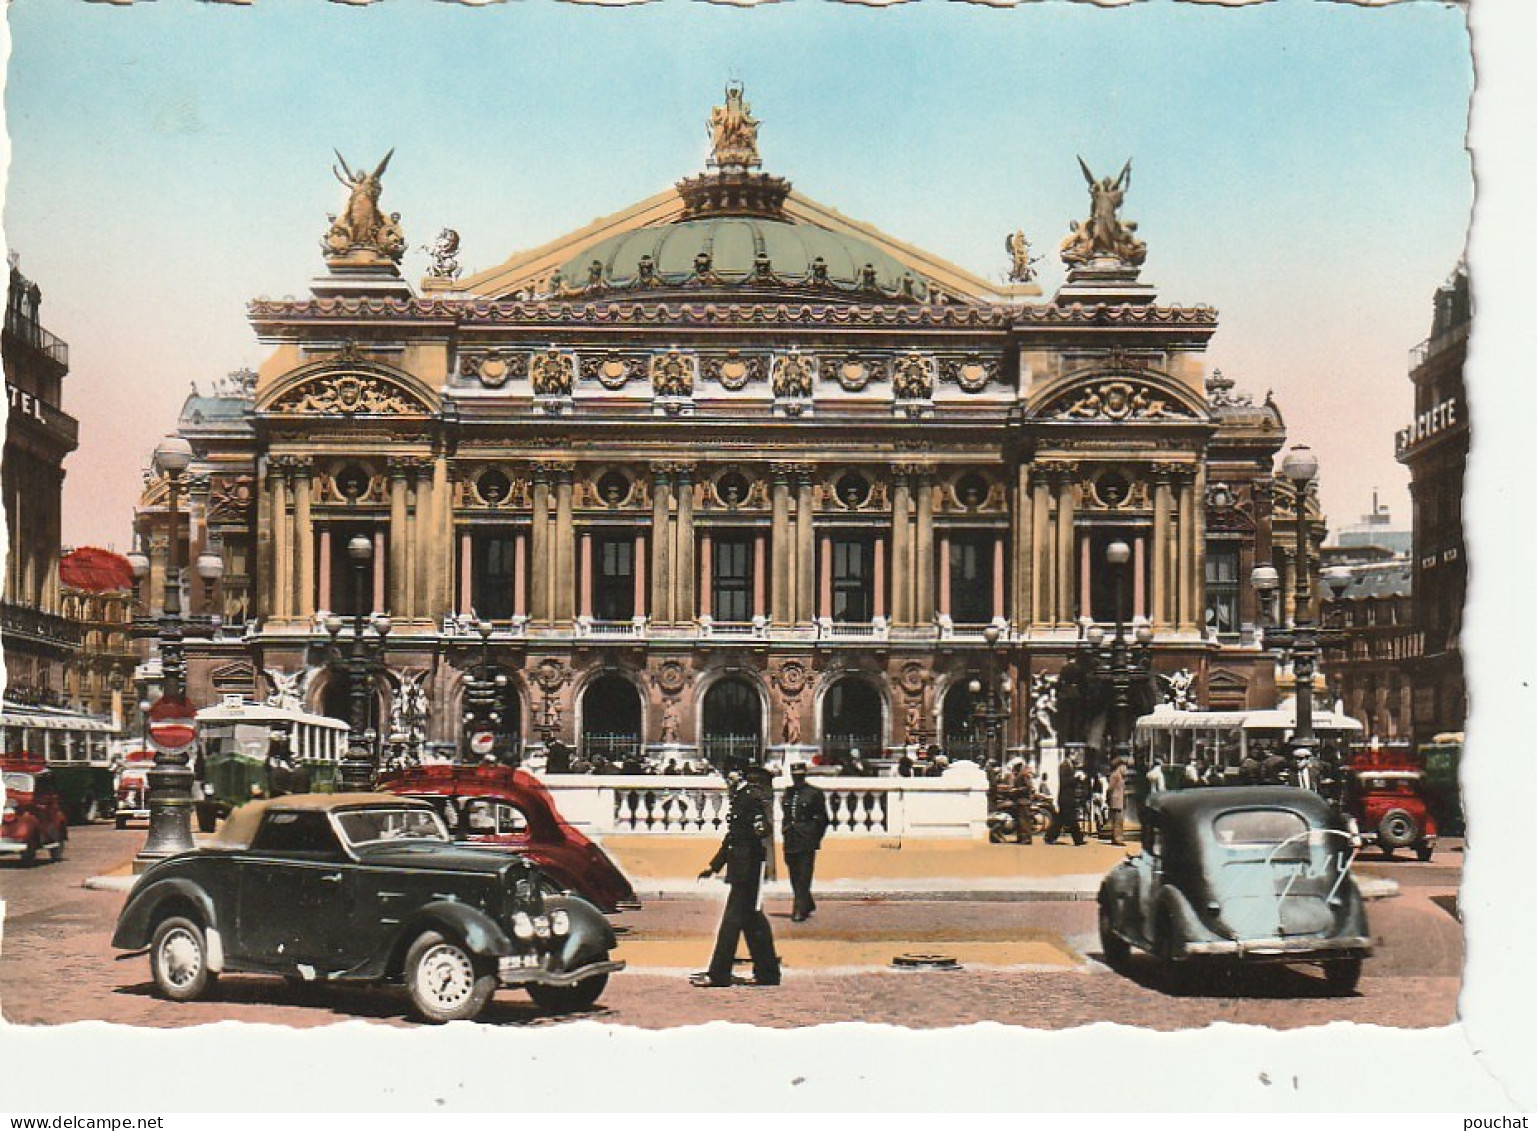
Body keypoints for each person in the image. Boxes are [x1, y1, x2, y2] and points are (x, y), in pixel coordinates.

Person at [695, 768, 781, 987]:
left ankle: (719, 973)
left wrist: (759, 831)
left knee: (732, 922)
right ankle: (768, 972)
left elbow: (760, 830)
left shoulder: (751, 797)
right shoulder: (740, 797)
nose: (727, 781)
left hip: (749, 869)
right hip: (741, 867)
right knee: (753, 922)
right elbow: (732, 838)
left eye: (730, 776)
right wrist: (714, 867)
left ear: (740, 776)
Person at [781, 763, 830, 922]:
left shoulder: (813, 793)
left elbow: (823, 819)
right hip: (791, 838)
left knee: (804, 875)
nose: (797, 779)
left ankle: (798, 909)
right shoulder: (788, 793)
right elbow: (786, 815)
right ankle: (807, 902)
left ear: (804, 775)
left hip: (806, 838)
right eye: (795, 776)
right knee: (793, 873)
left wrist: (815, 838)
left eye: (800, 776)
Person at [1045, 757, 1086, 846]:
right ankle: (1078, 839)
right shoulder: (1064, 765)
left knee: (1060, 820)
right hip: (1065, 798)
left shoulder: (1069, 765)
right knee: (1072, 819)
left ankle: (1050, 837)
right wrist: (1076, 778)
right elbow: (1064, 782)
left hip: (1067, 798)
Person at [1000, 758, 1035, 844]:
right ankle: (1021, 837)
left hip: (1023, 801)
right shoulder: (1020, 775)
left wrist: (1016, 790)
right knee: (1020, 821)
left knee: (1024, 821)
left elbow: (1028, 787)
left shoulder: (1023, 775)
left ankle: (1026, 838)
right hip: (1019, 801)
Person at [1106, 758, 1127, 846]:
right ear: (1119, 766)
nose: (1125, 769)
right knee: (1117, 820)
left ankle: (1116, 837)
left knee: (1118, 820)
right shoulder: (1115, 775)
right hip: (1116, 800)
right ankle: (1117, 839)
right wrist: (1109, 798)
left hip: (1119, 800)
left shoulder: (1120, 776)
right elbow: (1110, 788)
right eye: (1124, 766)